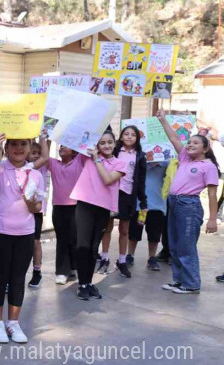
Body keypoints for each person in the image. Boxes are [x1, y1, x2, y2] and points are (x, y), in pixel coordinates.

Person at [0, 138, 43, 344]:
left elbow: (37, 209)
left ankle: (13, 323)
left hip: (25, 233)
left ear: (30, 148)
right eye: (14, 145)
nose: (19, 149)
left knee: (18, 278)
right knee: (0, 278)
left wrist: (30, 201)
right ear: (7, 147)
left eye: (23, 145)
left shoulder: (35, 174)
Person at [157, 113, 219, 294]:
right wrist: (162, 120)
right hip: (174, 203)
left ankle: (191, 284)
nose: (190, 144)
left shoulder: (208, 166)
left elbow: (213, 195)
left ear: (206, 148)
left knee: (186, 245)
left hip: (189, 206)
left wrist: (212, 219)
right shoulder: (184, 158)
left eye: (195, 143)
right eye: (189, 142)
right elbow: (174, 137)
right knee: (174, 245)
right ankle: (179, 281)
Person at [70, 131, 126, 301]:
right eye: (102, 143)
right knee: (83, 246)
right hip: (85, 205)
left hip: (103, 209)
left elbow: (108, 180)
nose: (107, 146)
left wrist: (97, 160)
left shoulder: (120, 164)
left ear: (115, 143)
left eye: (110, 142)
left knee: (94, 248)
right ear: (97, 145)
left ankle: (88, 283)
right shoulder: (87, 158)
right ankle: (82, 284)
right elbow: (79, 140)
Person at [98, 125, 146, 278]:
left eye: (133, 134)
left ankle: (122, 260)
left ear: (137, 138)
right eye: (126, 134)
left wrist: (143, 201)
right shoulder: (114, 151)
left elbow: (141, 180)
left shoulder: (140, 156)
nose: (129, 137)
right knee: (107, 227)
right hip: (111, 192)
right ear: (121, 136)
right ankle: (104, 257)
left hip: (127, 195)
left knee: (124, 230)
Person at [44, 144, 84, 285]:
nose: (61, 148)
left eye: (65, 146)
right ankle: (61, 271)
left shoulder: (79, 161)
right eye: (60, 146)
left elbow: (86, 148)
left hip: (75, 207)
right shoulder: (55, 164)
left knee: (74, 239)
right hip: (58, 208)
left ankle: (73, 267)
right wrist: (44, 137)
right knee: (62, 239)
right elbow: (44, 154)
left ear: (73, 150)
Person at [127, 160, 168, 272]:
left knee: (154, 236)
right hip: (139, 205)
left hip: (157, 206)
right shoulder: (140, 161)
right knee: (133, 233)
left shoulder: (166, 164)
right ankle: (130, 255)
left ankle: (152, 258)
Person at [26, 139, 50, 288]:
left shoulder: (39, 168)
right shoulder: (25, 168)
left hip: (37, 210)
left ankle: (37, 271)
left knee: (35, 242)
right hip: (22, 210)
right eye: (33, 153)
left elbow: (46, 156)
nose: (36, 156)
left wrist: (43, 136)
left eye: (38, 153)